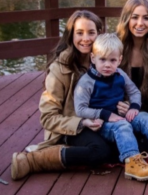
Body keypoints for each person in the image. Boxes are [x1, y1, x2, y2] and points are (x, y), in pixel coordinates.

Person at [11, 11, 117, 180]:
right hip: (71, 127)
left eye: (91, 33)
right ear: (71, 35)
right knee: (101, 151)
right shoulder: (59, 69)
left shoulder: (105, 61)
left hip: (100, 121)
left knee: (133, 140)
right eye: (79, 33)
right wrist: (82, 122)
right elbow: (47, 118)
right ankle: (33, 160)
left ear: (99, 34)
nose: (86, 39)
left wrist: (123, 103)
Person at [74, 33, 148, 181]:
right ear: (93, 58)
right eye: (102, 60)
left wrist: (134, 106)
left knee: (145, 117)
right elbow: (80, 109)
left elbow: (134, 91)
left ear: (120, 60)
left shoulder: (120, 74)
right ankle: (132, 161)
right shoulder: (86, 82)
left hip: (121, 114)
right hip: (102, 124)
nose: (107, 65)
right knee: (122, 126)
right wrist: (105, 115)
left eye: (112, 60)